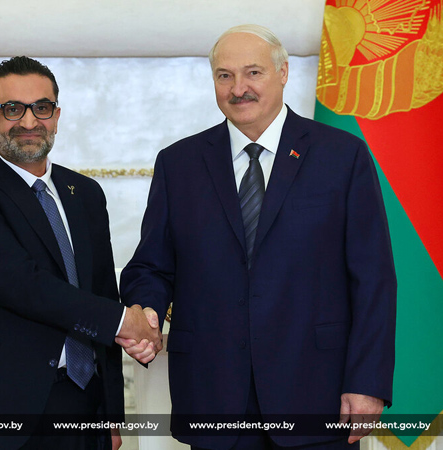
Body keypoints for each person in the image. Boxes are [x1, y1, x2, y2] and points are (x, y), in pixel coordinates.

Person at [118, 25, 397, 449]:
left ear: (283, 73)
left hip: (316, 393)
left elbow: (373, 279)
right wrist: (148, 311)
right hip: (212, 396)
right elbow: (150, 266)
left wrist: (367, 382)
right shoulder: (179, 164)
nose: (238, 88)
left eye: (253, 72)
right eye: (224, 75)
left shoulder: (342, 155)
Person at [0, 56, 161, 450]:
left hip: (80, 405)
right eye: (13, 109)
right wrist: (124, 322)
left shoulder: (85, 194)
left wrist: (111, 414)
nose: (29, 122)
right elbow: (21, 284)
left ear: (56, 116)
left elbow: (101, 291)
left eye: (41, 108)